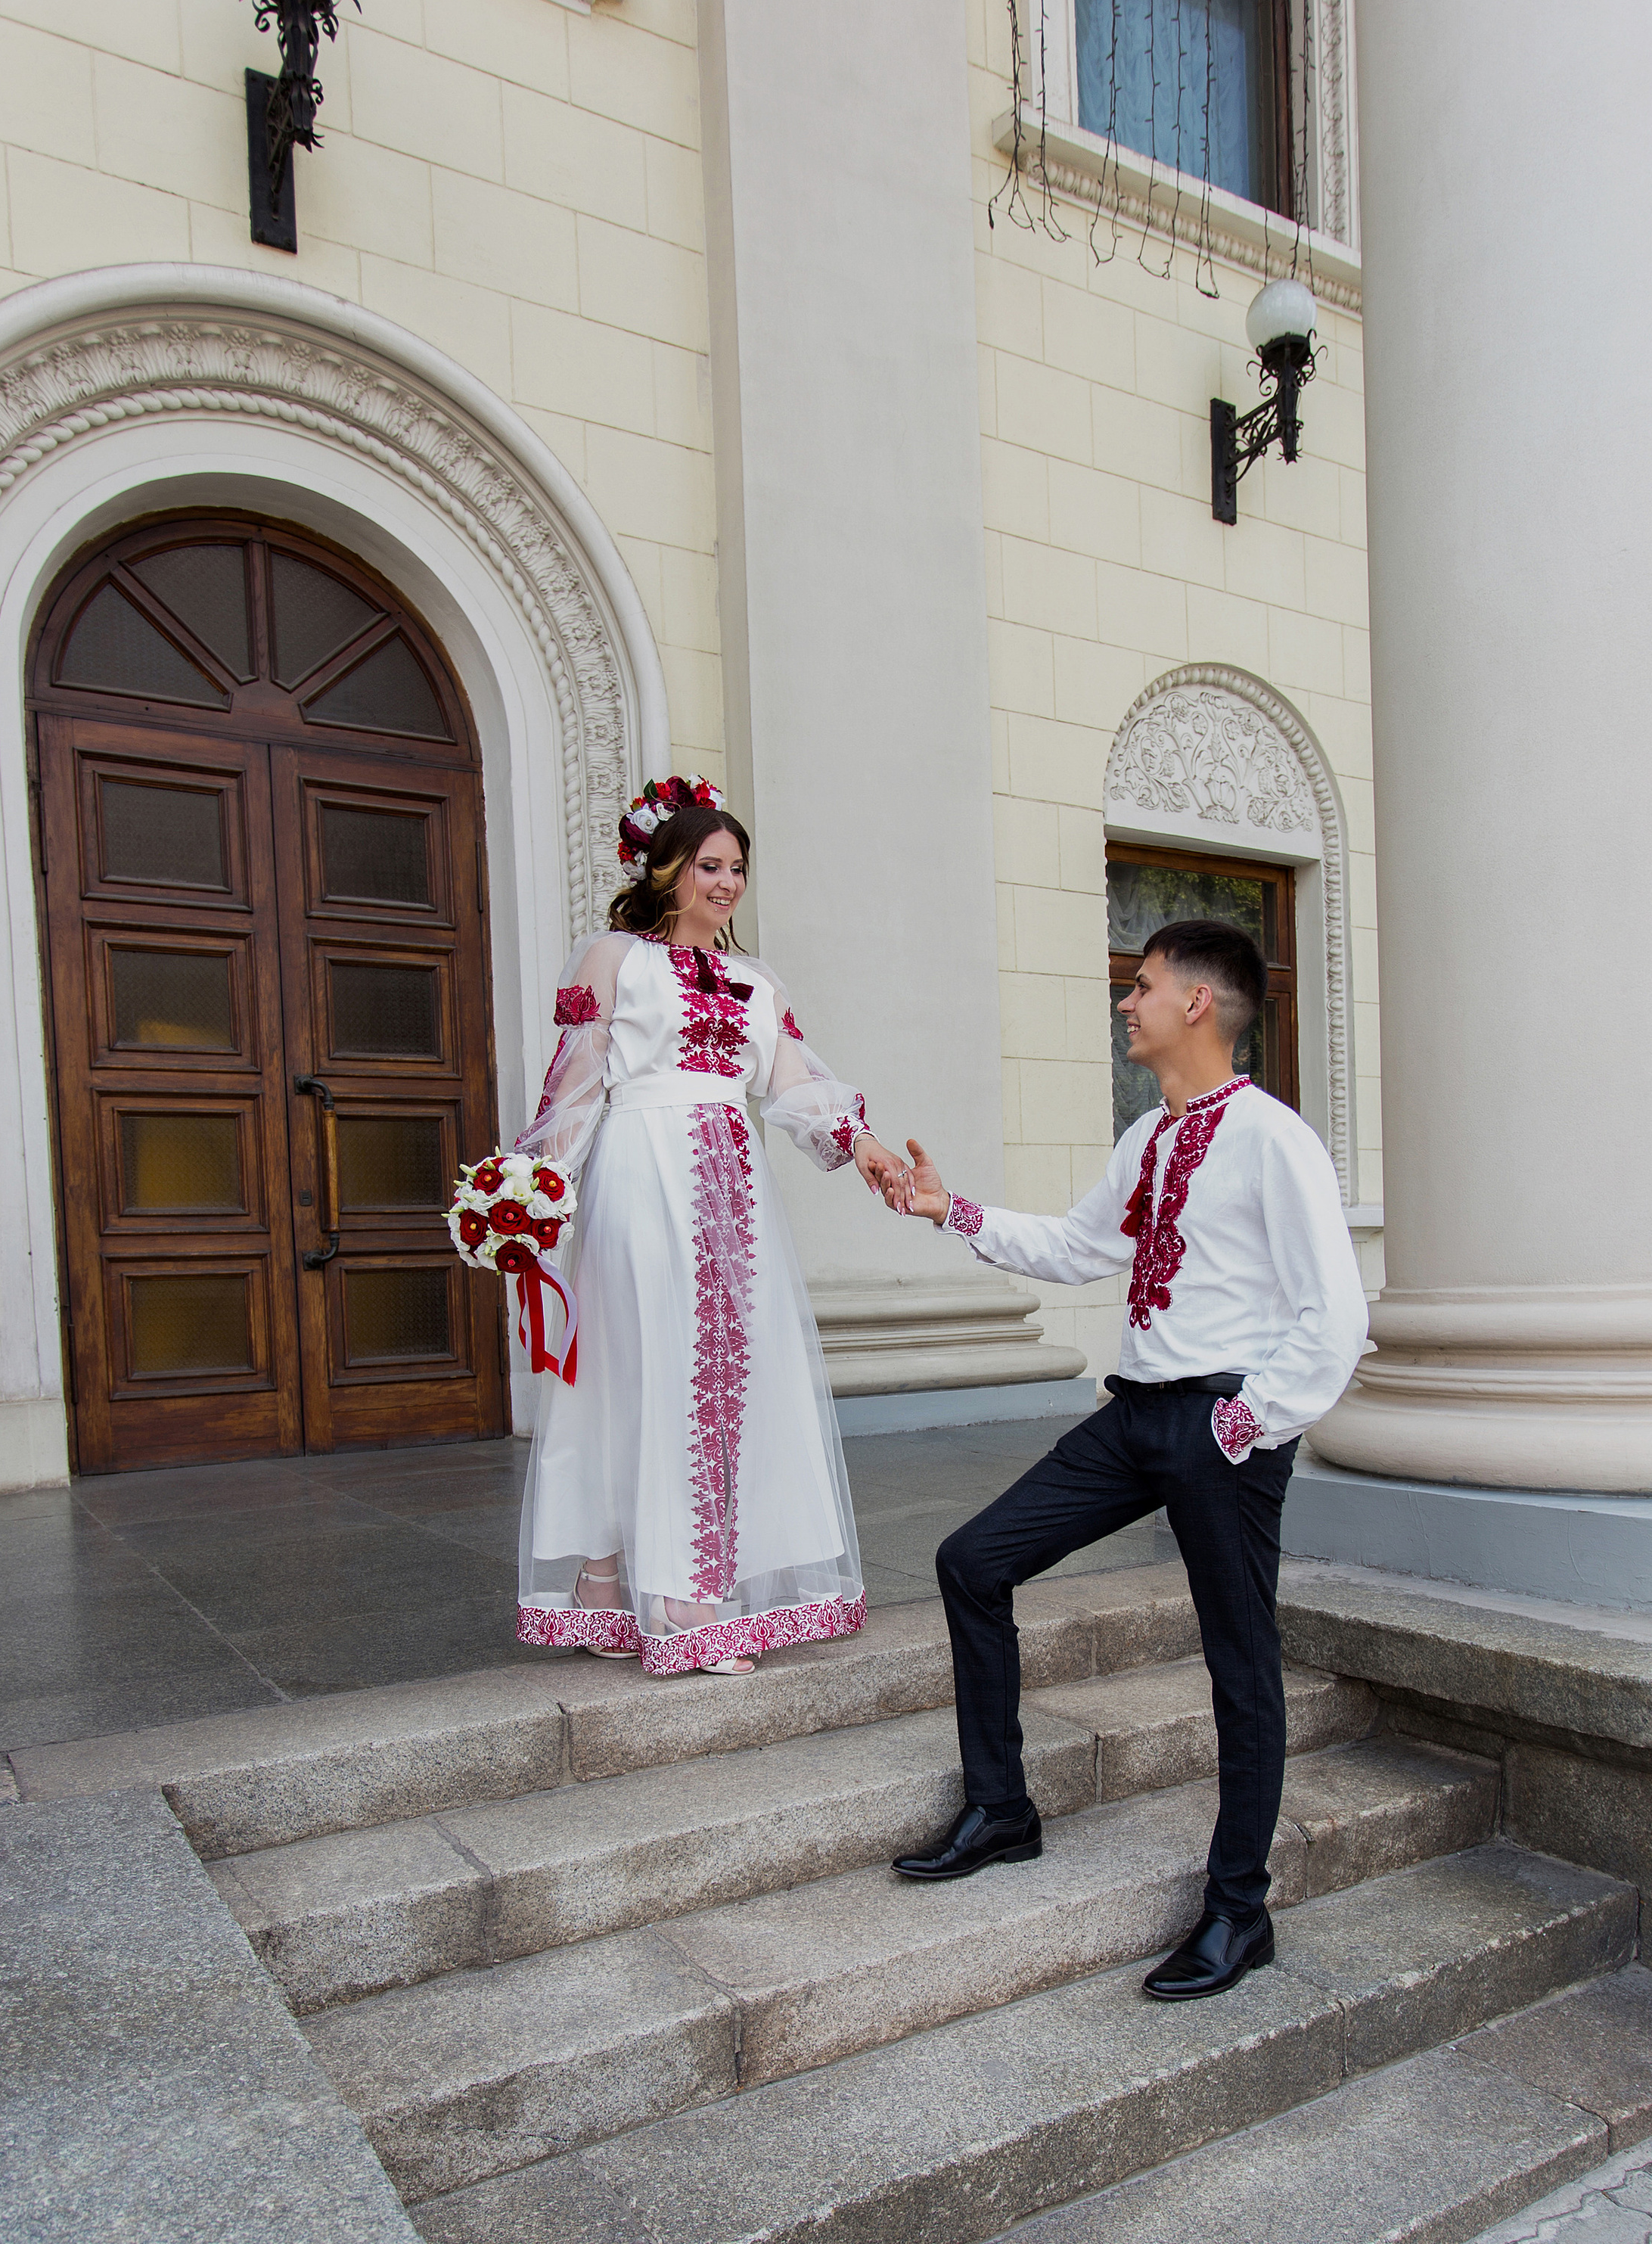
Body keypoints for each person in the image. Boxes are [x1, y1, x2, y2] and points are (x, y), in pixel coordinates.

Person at [882, 916, 1369, 1996]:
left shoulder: (1273, 1138)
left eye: (1142, 985)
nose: (1126, 1002)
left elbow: (1335, 1314)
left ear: (1197, 1003)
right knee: (973, 1560)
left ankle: (1240, 1913)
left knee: (1240, 1669)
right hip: (1135, 1417)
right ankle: (1003, 1809)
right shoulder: (1148, 1138)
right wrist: (948, 1210)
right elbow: (1077, 1246)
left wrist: (1243, 1425)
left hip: (1219, 1427)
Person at [513, 778, 907, 1676]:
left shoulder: (756, 979)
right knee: (647, 1362)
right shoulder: (614, 957)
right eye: (709, 865)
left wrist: (869, 1147)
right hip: (639, 1172)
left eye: (737, 867)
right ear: (666, 871)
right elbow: (576, 1083)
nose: (726, 882)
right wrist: (536, 1189)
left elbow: (797, 1082)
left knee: (730, 1367)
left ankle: (611, 1578)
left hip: (733, 1179)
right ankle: (684, 1605)